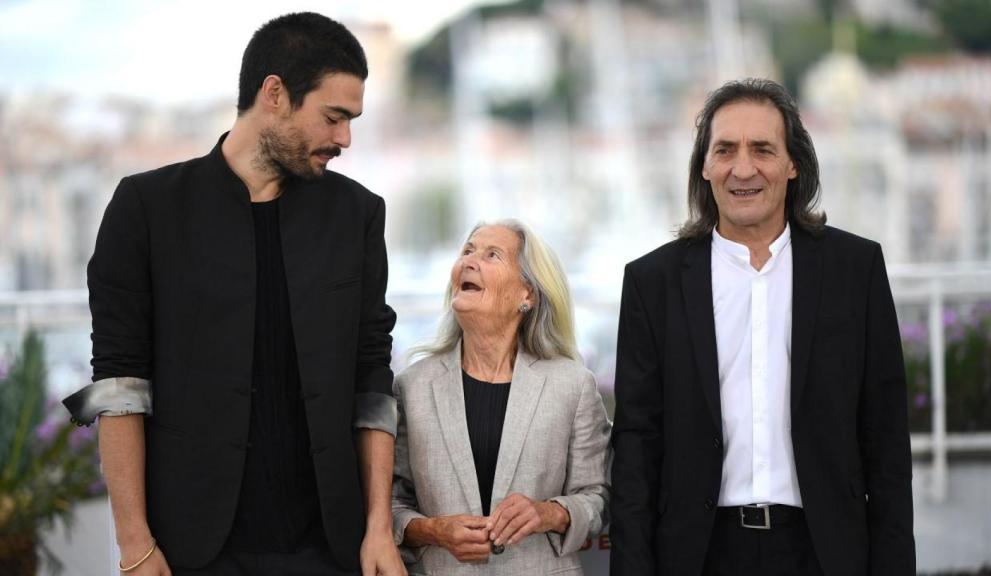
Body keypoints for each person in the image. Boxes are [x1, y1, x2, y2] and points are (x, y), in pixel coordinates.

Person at [62, 12, 405, 576]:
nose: (344, 138)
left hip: (332, 547)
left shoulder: (357, 214)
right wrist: (134, 545)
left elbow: (372, 377)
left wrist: (377, 529)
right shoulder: (146, 209)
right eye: (333, 117)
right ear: (274, 93)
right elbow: (119, 384)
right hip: (189, 549)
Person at [610, 78, 915, 575]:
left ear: (793, 164)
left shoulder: (855, 270)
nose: (743, 168)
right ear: (704, 166)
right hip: (698, 556)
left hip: (825, 553)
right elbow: (636, 451)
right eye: (725, 149)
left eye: (762, 149)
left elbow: (886, 444)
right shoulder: (652, 283)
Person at [390, 220, 611, 575]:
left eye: (492, 255)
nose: (470, 262)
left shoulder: (573, 385)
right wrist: (434, 530)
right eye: (467, 251)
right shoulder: (412, 385)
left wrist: (548, 512)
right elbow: (390, 504)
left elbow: (598, 498)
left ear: (528, 294)